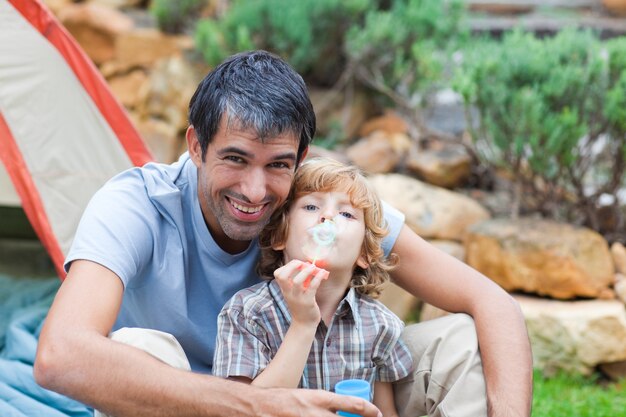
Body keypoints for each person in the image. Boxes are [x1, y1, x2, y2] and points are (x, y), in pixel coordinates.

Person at [34, 50, 532, 417]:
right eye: (234, 158)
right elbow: (60, 355)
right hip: (189, 403)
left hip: (318, 395)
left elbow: (493, 304)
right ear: (196, 145)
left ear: (302, 158)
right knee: (139, 347)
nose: (254, 192)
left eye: (277, 164)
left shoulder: (316, 207)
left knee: (464, 341)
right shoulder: (136, 205)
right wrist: (252, 405)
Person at [213, 158, 413, 417]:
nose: (327, 216)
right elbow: (242, 410)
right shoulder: (247, 314)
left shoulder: (380, 325)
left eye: (346, 214)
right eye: (310, 206)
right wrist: (303, 324)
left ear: (364, 253)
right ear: (280, 235)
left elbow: (384, 412)